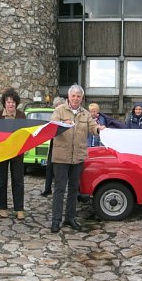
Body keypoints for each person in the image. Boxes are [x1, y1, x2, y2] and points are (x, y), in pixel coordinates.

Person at [50, 84, 104, 233]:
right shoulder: (59, 110)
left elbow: (93, 128)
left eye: (78, 96)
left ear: (81, 98)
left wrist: (100, 129)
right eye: (73, 96)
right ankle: (56, 220)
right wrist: (62, 124)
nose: (75, 98)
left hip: (78, 158)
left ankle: (70, 218)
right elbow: (52, 126)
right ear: (68, 97)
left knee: (74, 189)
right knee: (59, 189)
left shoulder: (86, 114)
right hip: (61, 157)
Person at [0, 88, 26, 220]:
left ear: (16, 103)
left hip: (17, 153)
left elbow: (25, 134)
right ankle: (2, 208)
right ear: (4, 103)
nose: (11, 104)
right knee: (1, 181)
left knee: (18, 181)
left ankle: (19, 209)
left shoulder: (21, 116)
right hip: (1, 153)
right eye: (8, 102)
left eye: (13, 102)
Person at [41, 96, 66, 197]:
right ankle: (47, 189)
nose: (57, 108)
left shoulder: (66, 116)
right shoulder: (54, 115)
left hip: (62, 145)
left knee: (59, 170)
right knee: (49, 168)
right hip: (53, 143)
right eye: (56, 107)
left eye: (59, 106)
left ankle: (58, 190)